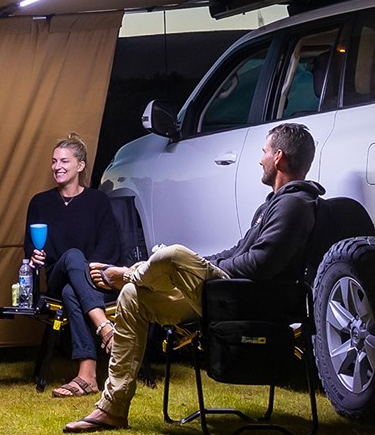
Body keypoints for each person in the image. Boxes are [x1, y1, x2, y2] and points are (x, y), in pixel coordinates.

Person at [64, 122, 322, 432]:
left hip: (244, 300)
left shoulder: (295, 205)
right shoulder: (274, 204)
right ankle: (113, 408)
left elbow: (260, 265)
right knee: (134, 296)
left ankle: (129, 273)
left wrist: (208, 270)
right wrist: (203, 264)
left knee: (172, 254)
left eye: (264, 151)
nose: (260, 159)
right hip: (226, 293)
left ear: (278, 157)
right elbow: (238, 250)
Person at [25, 133, 120, 398]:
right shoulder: (40, 202)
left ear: (80, 165)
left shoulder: (98, 201)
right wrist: (34, 256)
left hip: (93, 280)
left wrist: (86, 274)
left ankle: (87, 376)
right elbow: (29, 246)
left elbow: (109, 246)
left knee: (72, 292)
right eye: (54, 161)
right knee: (72, 257)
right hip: (57, 276)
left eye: (64, 161)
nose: (57, 166)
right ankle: (104, 326)